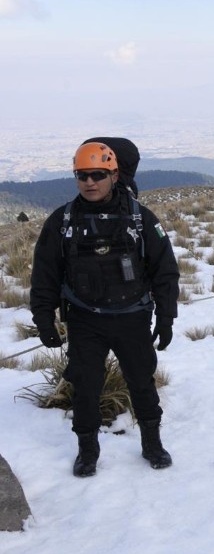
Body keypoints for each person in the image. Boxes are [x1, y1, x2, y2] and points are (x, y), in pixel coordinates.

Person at [30, 141, 179, 477]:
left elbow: (164, 269)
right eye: (82, 175)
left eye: (97, 174)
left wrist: (167, 316)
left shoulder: (140, 218)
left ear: (114, 175)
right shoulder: (62, 221)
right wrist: (43, 318)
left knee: (141, 382)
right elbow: (45, 274)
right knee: (85, 386)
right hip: (85, 320)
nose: (89, 182)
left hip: (132, 318)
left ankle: (152, 444)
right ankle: (87, 450)